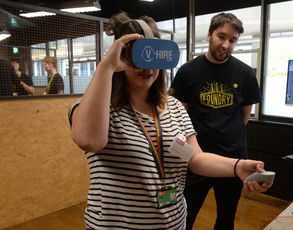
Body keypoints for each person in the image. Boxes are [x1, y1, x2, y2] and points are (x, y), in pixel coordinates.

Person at [68, 12, 270, 230]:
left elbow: (195, 160)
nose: (146, 68)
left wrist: (237, 166)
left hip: (173, 223)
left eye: (153, 58)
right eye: (136, 59)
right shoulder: (99, 108)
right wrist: (106, 66)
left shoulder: (173, 108)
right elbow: (89, 141)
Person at [170, 12, 262, 230]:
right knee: (185, 215)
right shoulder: (187, 72)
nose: (226, 44)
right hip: (195, 159)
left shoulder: (246, 73)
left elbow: (244, 117)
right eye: (221, 37)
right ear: (209, 35)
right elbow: (178, 121)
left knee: (226, 219)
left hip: (232, 161)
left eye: (232, 40)